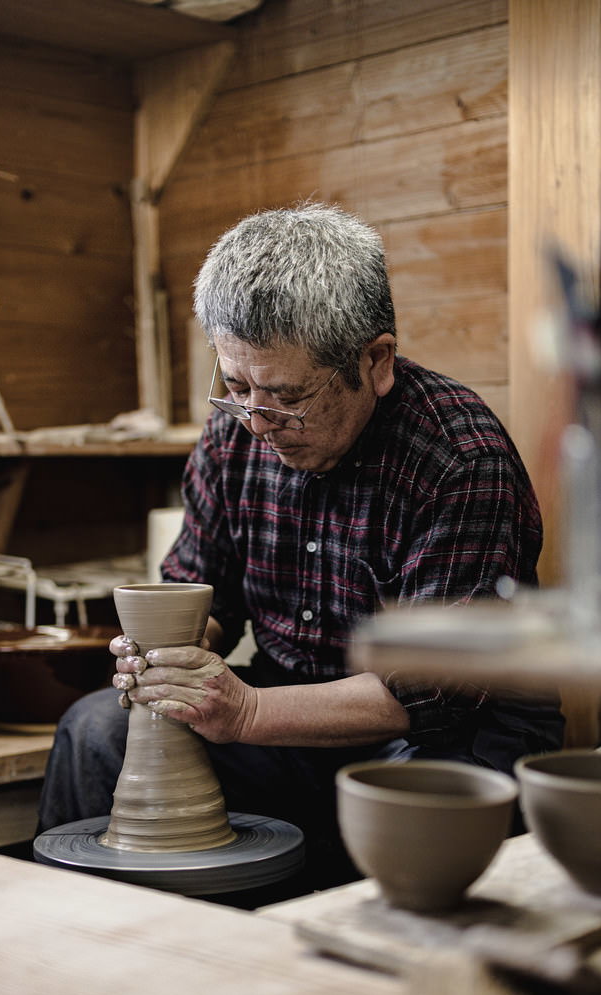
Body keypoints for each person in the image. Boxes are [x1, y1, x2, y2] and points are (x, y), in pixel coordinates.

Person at [38, 202, 563, 890]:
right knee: (97, 729)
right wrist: (167, 660)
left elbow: (432, 693)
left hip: (449, 731)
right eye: (236, 386)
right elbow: (208, 594)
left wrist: (247, 711)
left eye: (286, 398)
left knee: (409, 816)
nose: (257, 422)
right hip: (291, 709)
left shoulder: (457, 457)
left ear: (375, 361)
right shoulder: (235, 433)